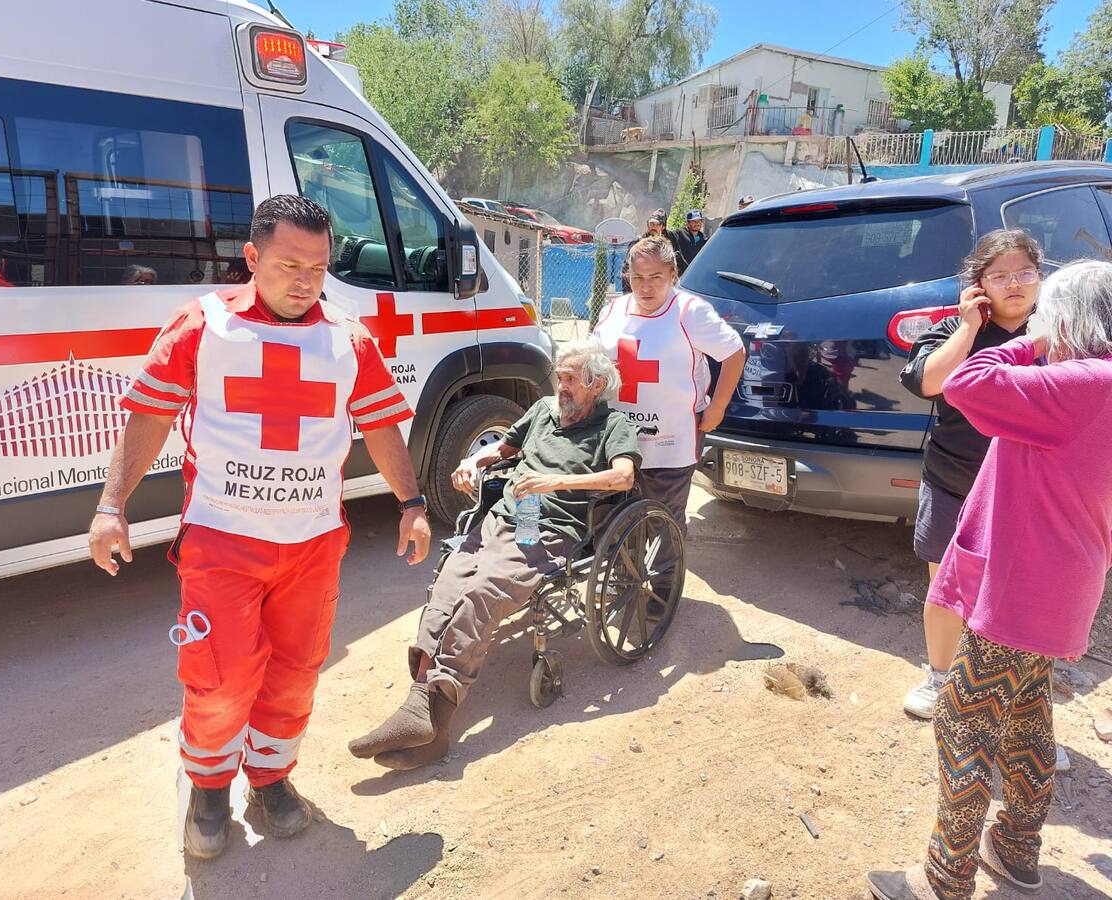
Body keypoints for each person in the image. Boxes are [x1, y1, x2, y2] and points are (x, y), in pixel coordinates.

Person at [86, 195, 433, 859]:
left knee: (296, 672)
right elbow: (151, 416)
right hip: (221, 541)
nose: (303, 280)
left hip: (311, 546)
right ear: (251, 257)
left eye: (318, 267)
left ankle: (271, 778)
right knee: (219, 677)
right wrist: (110, 508)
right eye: (287, 265)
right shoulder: (203, 326)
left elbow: (381, 424)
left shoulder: (347, 338)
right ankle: (209, 790)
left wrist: (411, 503)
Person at [866, 260, 1112, 900]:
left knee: (964, 720)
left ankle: (944, 879)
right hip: (1062, 586)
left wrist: (1032, 338)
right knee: (1028, 718)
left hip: (1023, 588)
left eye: (1047, 315)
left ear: (1069, 320)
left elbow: (967, 383)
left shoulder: (1082, 383)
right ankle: (1015, 851)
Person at [348, 342, 641, 770]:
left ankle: (434, 717)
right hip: (508, 513)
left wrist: (553, 483)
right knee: (450, 584)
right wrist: (472, 460)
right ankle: (422, 706)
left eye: (570, 379)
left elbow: (624, 477)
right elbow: (502, 448)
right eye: (559, 377)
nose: (560, 386)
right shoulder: (542, 410)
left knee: (484, 591)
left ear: (595, 384)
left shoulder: (613, 424)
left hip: (550, 524)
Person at [896, 231, 1059, 756]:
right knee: (946, 585)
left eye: (1024, 272)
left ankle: (1024, 715)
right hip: (956, 481)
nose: (1014, 284)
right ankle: (941, 678)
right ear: (979, 284)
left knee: (1030, 599)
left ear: (1040, 275)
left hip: (1036, 492)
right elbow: (928, 383)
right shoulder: (953, 329)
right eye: (999, 275)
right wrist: (969, 326)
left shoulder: (1065, 334)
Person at [592, 235, 745, 599]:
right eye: (637, 277)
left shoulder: (690, 311)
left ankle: (663, 589)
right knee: (619, 509)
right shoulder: (613, 310)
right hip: (619, 436)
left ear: (673, 274)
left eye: (655, 277)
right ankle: (624, 579)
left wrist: (718, 406)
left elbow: (734, 352)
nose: (645, 287)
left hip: (672, 436)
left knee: (665, 515)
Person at [619, 211, 666, 292]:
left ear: (663, 227)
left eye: (657, 224)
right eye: (651, 224)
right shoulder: (638, 242)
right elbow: (627, 267)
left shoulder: (664, 245)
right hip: (638, 288)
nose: (654, 227)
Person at [663, 210, 709, 275]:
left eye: (699, 221)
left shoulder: (704, 239)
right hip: (681, 276)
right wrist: (662, 220)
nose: (697, 223)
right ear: (687, 223)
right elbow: (666, 234)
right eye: (693, 221)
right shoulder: (680, 234)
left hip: (696, 275)